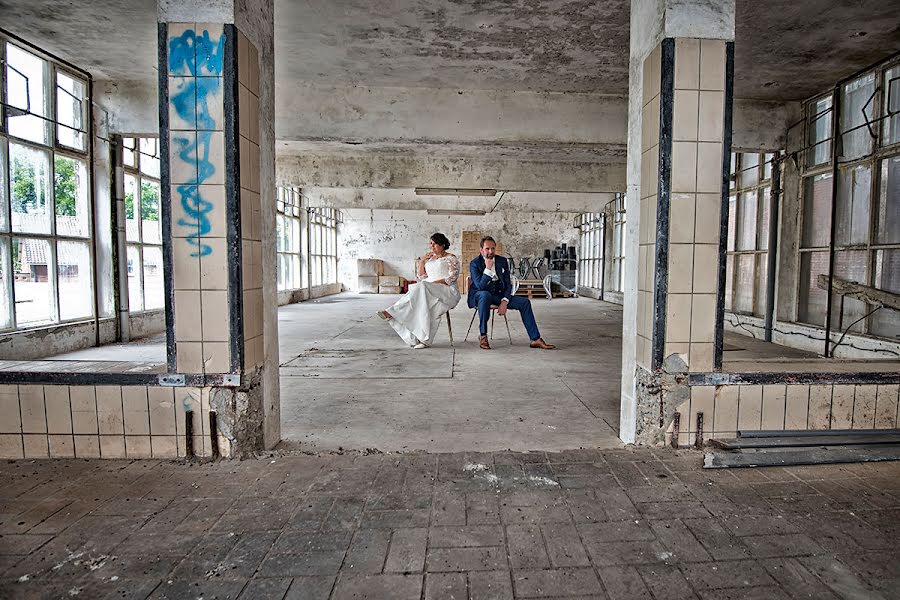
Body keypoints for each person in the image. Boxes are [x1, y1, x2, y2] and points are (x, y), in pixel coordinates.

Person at [468, 236, 556, 350]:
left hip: (498, 295)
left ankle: (535, 339)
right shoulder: (474, 263)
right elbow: (480, 286)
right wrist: (488, 270)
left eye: (493, 248)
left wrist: (505, 301)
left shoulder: (502, 261)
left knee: (525, 303)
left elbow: (508, 284)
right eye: (487, 249)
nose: (490, 251)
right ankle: (483, 335)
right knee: (485, 295)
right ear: (481, 250)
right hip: (480, 295)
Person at [376, 233, 461, 349]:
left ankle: (393, 311)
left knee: (422, 288)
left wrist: (430, 284)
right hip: (428, 290)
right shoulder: (430, 259)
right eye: (430, 243)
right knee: (426, 302)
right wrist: (422, 261)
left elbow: (451, 279)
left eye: (435, 244)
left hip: (447, 290)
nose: (432, 246)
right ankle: (420, 339)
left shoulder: (451, 258)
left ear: (442, 244)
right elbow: (421, 277)